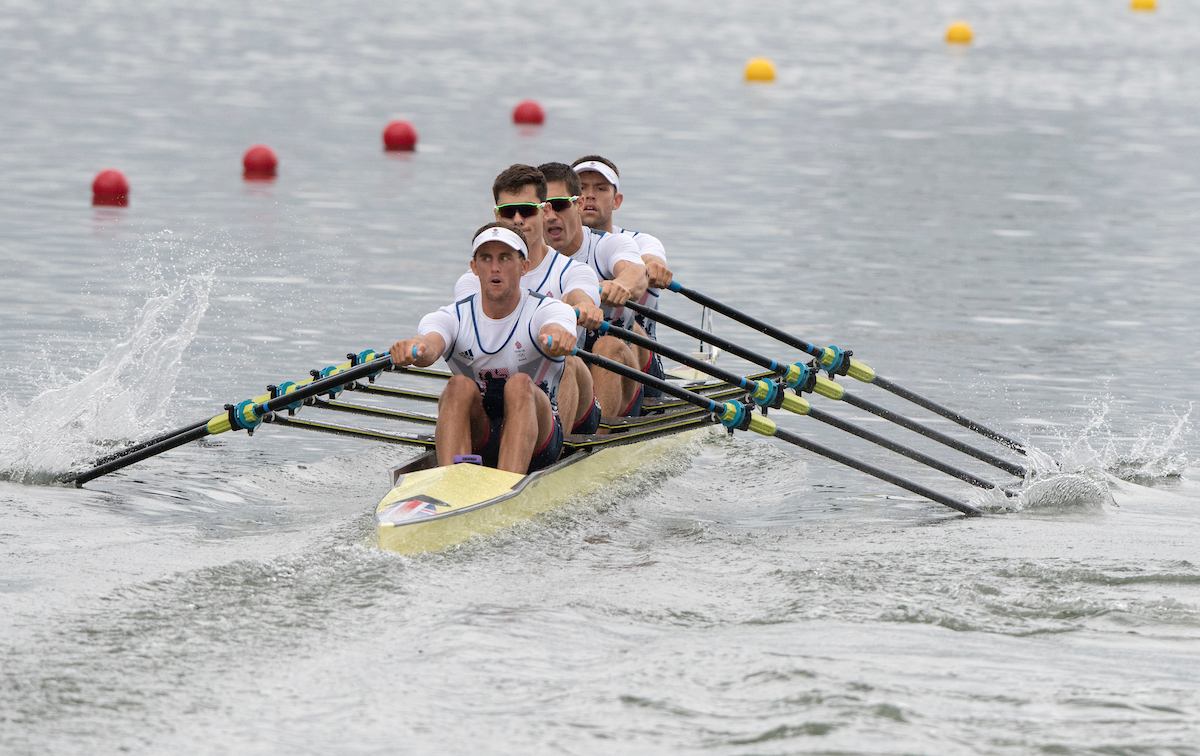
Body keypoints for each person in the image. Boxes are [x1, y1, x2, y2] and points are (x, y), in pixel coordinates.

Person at [389, 222, 577, 475]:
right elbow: (429, 345)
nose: (495, 267)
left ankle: (506, 487)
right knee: (458, 386)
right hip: (481, 434)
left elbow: (555, 326)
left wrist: (556, 337)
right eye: (486, 258)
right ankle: (450, 484)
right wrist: (415, 348)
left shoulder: (547, 309)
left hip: (540, 440)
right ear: (474, 268)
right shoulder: (453, 316)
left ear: (525, 267)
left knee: (520, 384)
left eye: (505, 258)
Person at [453, 164, 606, 436]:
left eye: (526, 210)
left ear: (545, 211)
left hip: (562, 398)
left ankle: (558, 451)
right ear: (496, 215)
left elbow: (579, 295)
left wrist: (583, 308)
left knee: (568, 360)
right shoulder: (471, 280)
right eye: (508, 212)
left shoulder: (573, 271)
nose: (517, 220)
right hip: (499, 393)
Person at [537, 161, 651, 420]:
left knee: (607, 345)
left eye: (561, 205)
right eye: (543, 208)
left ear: (578, 205)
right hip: (559, 374)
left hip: (617, 373)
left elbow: (637, 272)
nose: (551, 215)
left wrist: (621, 285)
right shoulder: (522, 261)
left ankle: (598, 436)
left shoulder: (606, 245)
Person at [572, 155, 673, 398]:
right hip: (576, 361)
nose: (589, 195)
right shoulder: (556, 250)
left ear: (617, 201)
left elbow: (650, 261)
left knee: (611, 341)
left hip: (642, 369)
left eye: (600, 188)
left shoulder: (640, 242)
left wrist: (651, 269)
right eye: (581, 188)